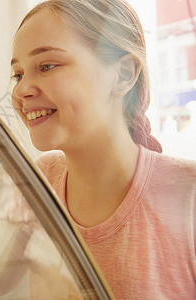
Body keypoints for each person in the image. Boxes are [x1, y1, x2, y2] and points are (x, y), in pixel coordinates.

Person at [10, 0, 196, 299]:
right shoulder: (39, 180)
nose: (21, 90)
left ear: (123, 74)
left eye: (46, 66)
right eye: (18, 75)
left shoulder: (189, 195)